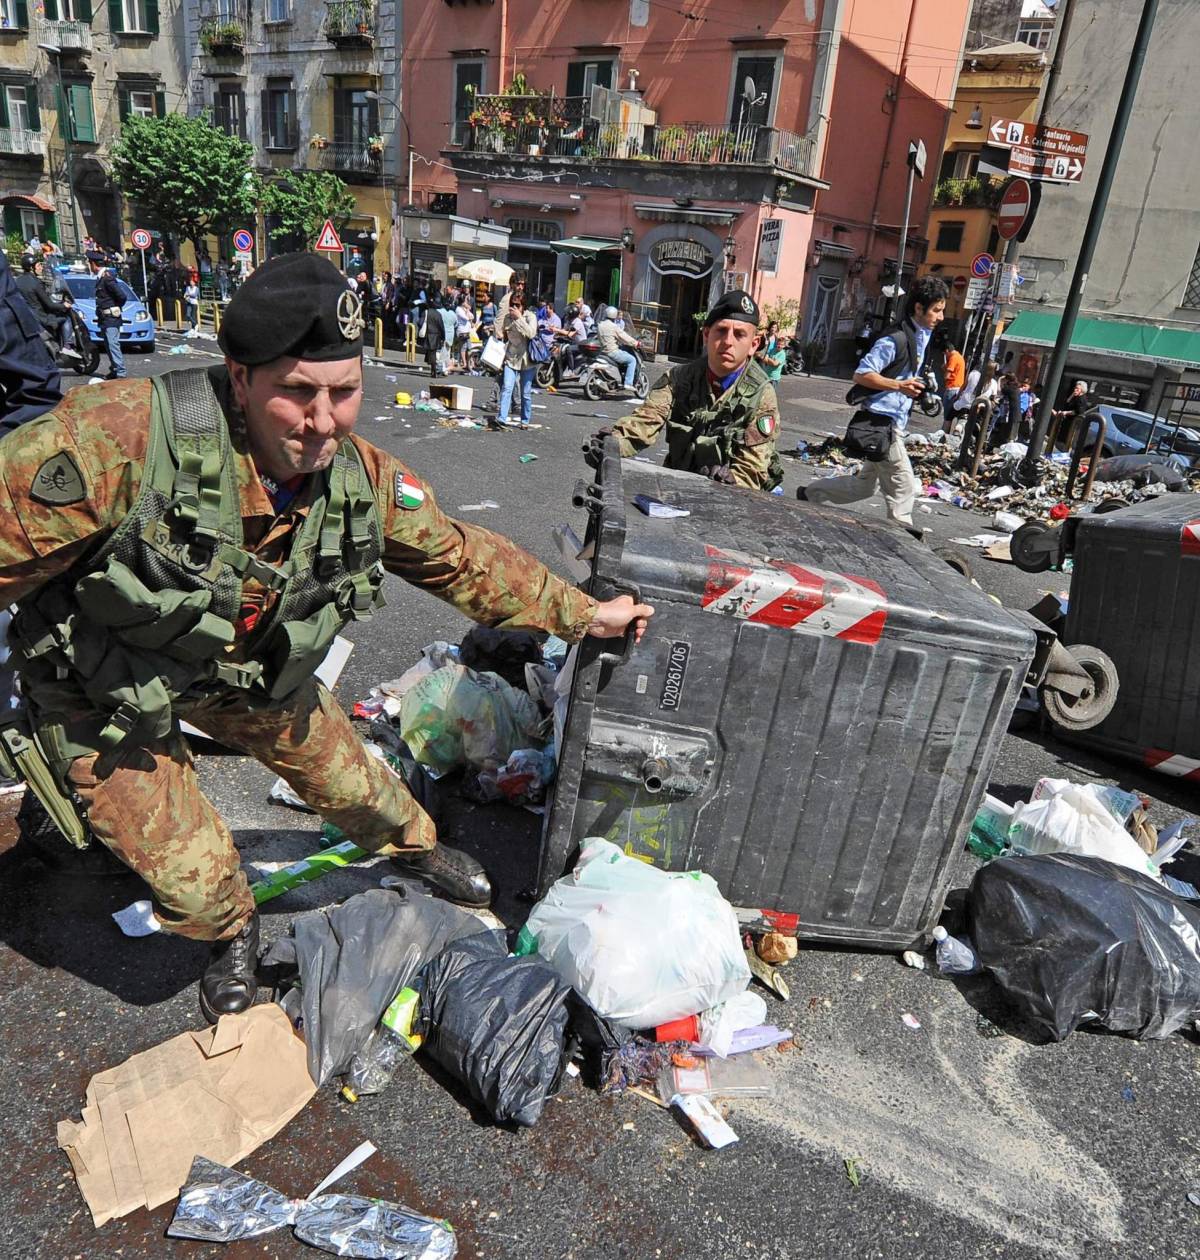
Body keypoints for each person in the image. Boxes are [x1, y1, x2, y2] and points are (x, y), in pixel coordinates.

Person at [0, 251, 652, 1022]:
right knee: (194, 884)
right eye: (296, 393)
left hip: (246, 670)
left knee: (361, 788)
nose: (321, 421)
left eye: (344, 394)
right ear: (239, 380)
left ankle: (416, 851)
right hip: (106, 680)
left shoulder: (360, 478)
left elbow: (459, 557)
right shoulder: (116, 440)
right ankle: (229, 931)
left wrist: (582, 613)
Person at [585, 289, 782, 491]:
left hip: (729, 502)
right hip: (678, 487)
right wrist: (612, 443)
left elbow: (753, 469)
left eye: (739, 334)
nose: (728, 341)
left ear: (753, 344)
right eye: (721, 331)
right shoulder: (679, 379)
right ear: (706, 335)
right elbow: (645, 422)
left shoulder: (762, 394)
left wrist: (732, 481)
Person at [802, 275, 948, 528]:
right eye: (937, 310)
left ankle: (810, 493)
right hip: (882, 424)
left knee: (864, 487)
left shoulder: (919, 336)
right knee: (903, 487)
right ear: (918, 308)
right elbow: (861, 374)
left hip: (892, 423)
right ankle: (904, 539)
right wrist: (899, 386)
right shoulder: (895, 339)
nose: (941, 317)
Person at [0, 248, 62, 431]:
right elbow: (35, 394)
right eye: (39, 264)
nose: (41, 267)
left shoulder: (23, 282)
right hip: (39, 323)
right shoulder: (33, 284)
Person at [493, 291, 538, 429]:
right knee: (507, 387)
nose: (513, 307)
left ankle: (525, 420)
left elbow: (531, 333)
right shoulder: (507, 317)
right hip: (511, 358)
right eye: (511, 305)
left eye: (517, 305)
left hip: (526, 360)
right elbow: (501, 332)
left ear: (523, 306)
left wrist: (519, 319)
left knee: (525, 393)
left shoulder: (530, 317)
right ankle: (502, 418)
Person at [87, 251, 128, 380]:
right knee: (108, 345)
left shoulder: (107, 278)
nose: (89, 267)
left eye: (90, 264)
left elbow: (122, 296)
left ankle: (120, 372)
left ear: (94, 264)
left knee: (112, 344)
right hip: (104, 318)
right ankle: (115, 369)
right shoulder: (101, 278)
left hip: (111, 318)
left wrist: (115, 308)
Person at [595, 305, 641, 393]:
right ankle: (628, 383)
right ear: (614, 315)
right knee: (632, 360)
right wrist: (636, 343)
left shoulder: (600, 325)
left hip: (602, 352)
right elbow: (624, 337)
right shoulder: (613, 326)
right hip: (612, 352)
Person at [1051, 379, 1091, 448]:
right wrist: (1073, 394)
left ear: (1082, 390)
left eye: (1077, 389)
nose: (1075, 389)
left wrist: (1066, 412)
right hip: (1066, 423)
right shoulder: (1076, 397)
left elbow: (1078, 411)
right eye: (1075, 388)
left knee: (1064, 442)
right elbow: (1067, 402)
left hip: (1071, 425)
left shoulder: (1081, 399)